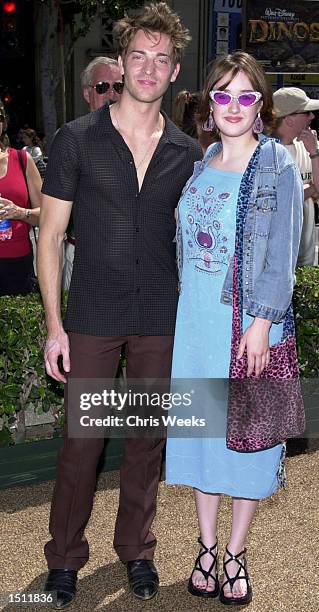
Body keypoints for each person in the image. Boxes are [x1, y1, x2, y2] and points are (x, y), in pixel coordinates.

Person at [37, 2, 202, 608]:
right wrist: (54, 326)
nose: (149, 68)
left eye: (162, 59)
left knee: (145, 439)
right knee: (83, 441)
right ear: (122, 62)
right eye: (140, 56)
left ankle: (136, 550)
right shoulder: (76, 139)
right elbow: (49, 236)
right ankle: (64, 559)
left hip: (162, 310)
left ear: (175, 70)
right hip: (94, 312)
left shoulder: (188, 151)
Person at [165, 52, 303, 606]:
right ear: (208, 103)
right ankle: (205, 546)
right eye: (223, 95)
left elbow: (282, 255)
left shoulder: (276, 164)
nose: (234, 107)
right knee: (202, 436)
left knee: (247, 444)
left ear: (261, 106)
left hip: (245, 325)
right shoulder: (203, 161)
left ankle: (236, 552)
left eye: (247, 97)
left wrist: (262, 322)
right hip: (195, 321)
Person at [62, 56, 123, 291]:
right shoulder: (70, 140)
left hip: (131, 264)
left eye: (118, 86)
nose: (112, 94)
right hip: (82, 258)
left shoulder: (144, 141)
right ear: (87, 94)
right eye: (102, 87)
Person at [273, 87, 319, 266]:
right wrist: (311, 188)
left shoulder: (309, 145)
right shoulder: (267, 152)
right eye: (306, 112)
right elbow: (282, 198)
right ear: (289, 119)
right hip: (278, 259)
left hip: (305, 255)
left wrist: (314, 153)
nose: (312, 117)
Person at [0, 99, 42, 296]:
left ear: (4, 122)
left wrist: (19, 212)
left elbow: (46, 214)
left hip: (17, 264)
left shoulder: (22, 159)